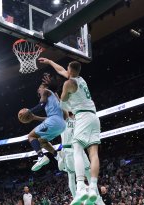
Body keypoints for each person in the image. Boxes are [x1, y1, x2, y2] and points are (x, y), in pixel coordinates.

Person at [39, 58, 101, 204]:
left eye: (67, 69)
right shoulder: (81, 80)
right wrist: (49, 62)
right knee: (93, 154)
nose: (64, 71)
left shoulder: (69, 83)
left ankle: (80, 188)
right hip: (94, 117)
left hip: (83, 116)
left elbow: (62, 102)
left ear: (71, 71)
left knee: (78, 150)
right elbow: (60, 69)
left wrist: (52, 92)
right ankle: (92, 187)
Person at [57, 112, 104, 205]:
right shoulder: (79, 120)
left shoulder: (65, 120)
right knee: (89, 173)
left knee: (71, 176)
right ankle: (98, 198)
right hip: (79, 150)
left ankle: (76, 197)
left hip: (70, 151)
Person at [19, 79, 66, 171]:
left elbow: (41, 105)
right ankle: (57, 155)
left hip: (54, 121)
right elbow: (50, 119)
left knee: (31, 136)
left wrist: (28, 111)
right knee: (41, 141)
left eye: (39, 88)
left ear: (44, 87)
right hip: (61, 124)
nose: (38, 90)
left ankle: (41, 156)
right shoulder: (55, 96)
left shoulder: (46, 91)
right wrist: (35, 117)